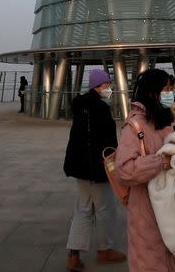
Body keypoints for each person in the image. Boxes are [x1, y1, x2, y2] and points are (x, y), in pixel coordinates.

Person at [115, 68, 175, 271]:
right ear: (152, 93)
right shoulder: (134, 127)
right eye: (166, 89)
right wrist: (161, 162)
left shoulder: (170, 121)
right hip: (147, 213)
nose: (170, 93)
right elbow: (124, 169)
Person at [63, 69, 126, 271]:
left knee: (82, 208)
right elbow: (108, 142)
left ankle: (74, 254)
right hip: (97, 169)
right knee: (106, 208)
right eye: (106, 85)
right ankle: (104, 250)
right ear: (97, 87)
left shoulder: (81, 106)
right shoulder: (99, 108)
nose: (109, 89)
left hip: (79, 168)